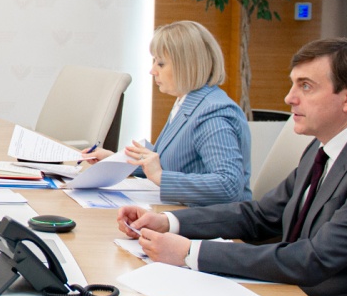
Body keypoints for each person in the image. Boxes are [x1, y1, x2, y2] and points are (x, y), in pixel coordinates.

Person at [117, 38, 347, 296]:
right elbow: (260, 216)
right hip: (297, 288)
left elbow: (314, 260)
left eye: (306, 86)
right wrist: (169, 222)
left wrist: (190, 252)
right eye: (293, 84)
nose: (289, 98)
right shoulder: (326, 144)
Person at [82, 20, 249, 205]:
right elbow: (171, 164)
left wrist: (160, 177)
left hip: (210, 219)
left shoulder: (212, 114)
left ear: (188, 65)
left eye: (160, 64)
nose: (152, 71)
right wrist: (115, 161)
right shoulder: (187, 102)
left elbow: (228, 186)